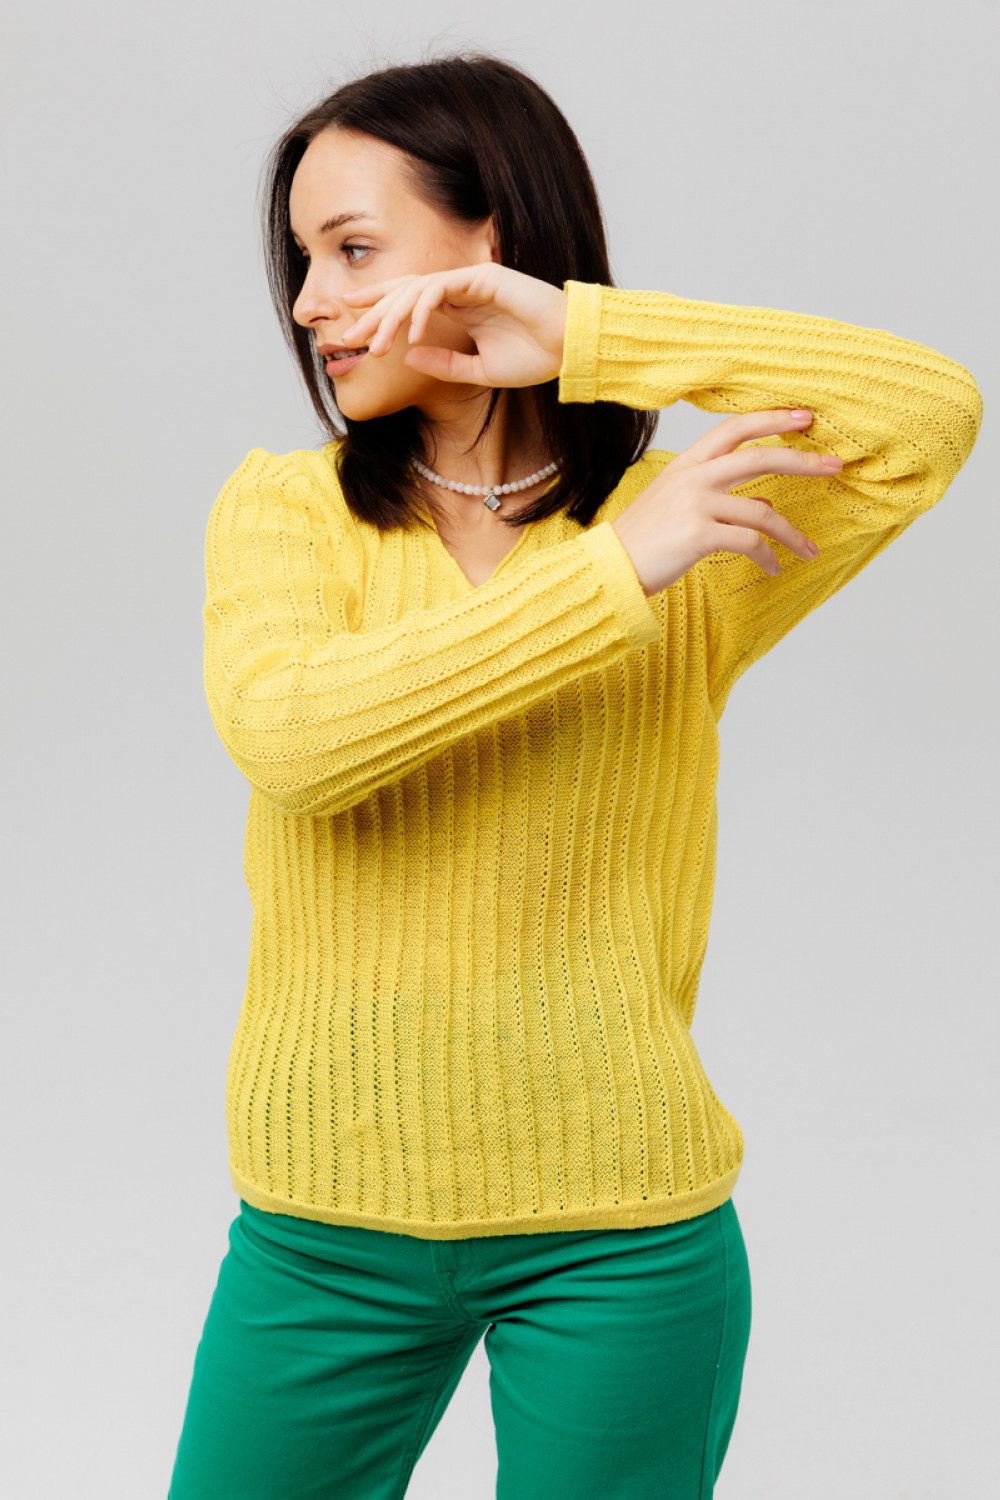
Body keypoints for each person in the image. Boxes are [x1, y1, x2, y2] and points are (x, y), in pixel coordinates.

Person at [168, 51, 983, 1500]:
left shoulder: (697, 523)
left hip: (622, 1233)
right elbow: (296, 742)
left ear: (489, 244)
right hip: (321, 1230)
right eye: (302, 261)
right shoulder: (288, 510)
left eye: (353, 250)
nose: (308, 304)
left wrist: (586, 335)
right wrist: (613, 576)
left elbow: (928, 412)